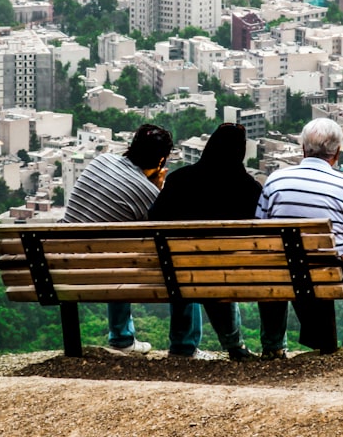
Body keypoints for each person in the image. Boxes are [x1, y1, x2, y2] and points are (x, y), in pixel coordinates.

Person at [255, 117, 343, 358]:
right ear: (337, 152)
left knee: (279, 258)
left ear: (303, 149)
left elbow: (261, 231)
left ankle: (273, 346)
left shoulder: (275, 180)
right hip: (330, 271)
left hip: (284, 270)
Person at [148, 123, 260, 361]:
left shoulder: (179, 180)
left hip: (178, 271)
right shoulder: (249, 188)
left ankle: (181, 345)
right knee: (218, 266)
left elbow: (154, 219)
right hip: (231, 272)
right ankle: (234, 345)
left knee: (182, 264)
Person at [62, 123, 174, 355]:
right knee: (124, 258)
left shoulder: (101, 160)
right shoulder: (149, 192)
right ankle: (123, 339)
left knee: (115, 253)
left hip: (59, 263)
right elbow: (155, 230)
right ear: (161, 161)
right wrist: (156, 187)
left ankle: (119, 338)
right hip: (105, 272)